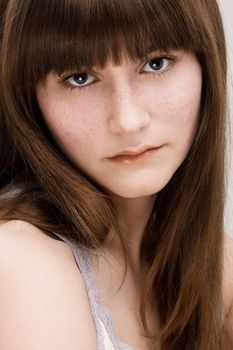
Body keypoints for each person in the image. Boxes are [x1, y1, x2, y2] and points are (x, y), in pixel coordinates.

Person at [0, 0, 232, 349]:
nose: (128, 120)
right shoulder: (24, 265)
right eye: (80, 77)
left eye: (156, 63)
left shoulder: (212, 265)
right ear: (29, 97)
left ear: (207, 64)